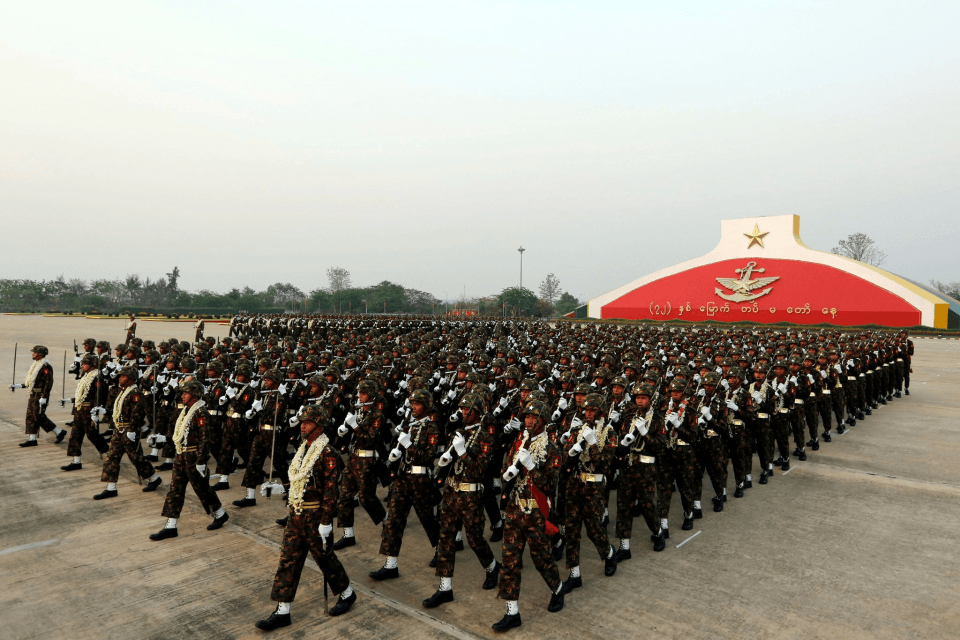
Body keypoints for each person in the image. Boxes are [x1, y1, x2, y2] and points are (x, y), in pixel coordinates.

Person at [255, 405, 357, 631]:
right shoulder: (303, 449)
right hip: (296, 513)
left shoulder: (328, 454)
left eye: (308, 422)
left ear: (319, 426)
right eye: (302, 422)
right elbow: (299, 481)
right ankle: (282, 610)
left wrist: (326, 521)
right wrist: (281, 489)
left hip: (315, 516)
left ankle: (347, 593)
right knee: (288, 560)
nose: (302, 426)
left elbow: (331, 491)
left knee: (325, 559)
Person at [424, 393, 500, 609]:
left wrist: (463, 453)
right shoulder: (459, 432)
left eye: (468, 409)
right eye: (463, 409)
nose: (464, 412)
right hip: (452, 493)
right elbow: (449, 462)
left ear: (477, 412)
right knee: (446, 539)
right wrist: (444, 463)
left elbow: (479, 471)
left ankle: (492, 566)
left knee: (475, 539)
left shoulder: (485, 437)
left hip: (470, 495)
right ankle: (444, 588)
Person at [495, 399, 566, 632]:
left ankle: (557, 588)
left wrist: (532, 467)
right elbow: (504, 469)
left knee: (541, 559)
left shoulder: (551, 449)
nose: (529, 420)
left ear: (544, 420)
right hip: (515, 509)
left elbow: (550, 486)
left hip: (536, 512)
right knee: (509, 561)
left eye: (535, 417)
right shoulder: (517, 443)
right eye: (527, 416)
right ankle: (511, 612)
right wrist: (508, 472)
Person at [370, 389, 441, 580]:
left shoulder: (432, 428)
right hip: (402, 479)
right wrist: (396, 454)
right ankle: (390, 564)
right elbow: (401, 448)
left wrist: (409, 446)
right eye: (412, 404)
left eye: (417, 404)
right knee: (393, 520)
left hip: (420, 481)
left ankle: (441, 550)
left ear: (426, 406)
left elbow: (427, 457)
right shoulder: (410, 425)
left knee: (428, 520)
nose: (413, 407)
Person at [149, 380, 229, 540]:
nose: (183, 396)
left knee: (202, 489)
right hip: (181, 455)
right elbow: (179, 434)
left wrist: (201, 461)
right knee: (175, 490)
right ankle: (171, 526)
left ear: (195, 395)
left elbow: (205, 440)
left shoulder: (201, 413)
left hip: (193, 457)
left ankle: (220, 513)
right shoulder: (186, 411)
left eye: (186, 393)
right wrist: (163, 438)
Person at [94, 365, 163, 499]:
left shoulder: (135, 393)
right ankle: (111, 488)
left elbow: (137, 415)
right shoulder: (123, 391)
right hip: (119, 430)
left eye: (124, 376)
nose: (120, 378)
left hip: (129, 431)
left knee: (136, 458)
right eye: (120, 376)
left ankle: (154, 478)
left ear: (131, 378)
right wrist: (105, 411)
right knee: (111, 458)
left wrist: (131, 431)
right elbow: (119, 411)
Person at [11, 345, 66, 447]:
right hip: (33, 394)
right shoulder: (36, 365)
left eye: (35, 352)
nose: (33, 354)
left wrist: (44, 397)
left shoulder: (45, 366)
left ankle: (59, 431)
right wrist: (20, 385)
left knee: (38, 416)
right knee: (30, 416)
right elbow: (32, 381)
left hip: (40, 395)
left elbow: (48, 383)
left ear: (40, 354)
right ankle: (32, 439)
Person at [61, 354, 109, 470]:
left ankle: (110, 454)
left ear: (93, 365)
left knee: (92, 435)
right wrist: (70, 400)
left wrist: (96, 412)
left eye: (85, 364)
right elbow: (82, 395)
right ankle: (76, 460)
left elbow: (100, 396)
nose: (82, 366)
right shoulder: (85, 376)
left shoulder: (97, 377)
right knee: (75, 435)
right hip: (79, 410)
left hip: (89, 411)